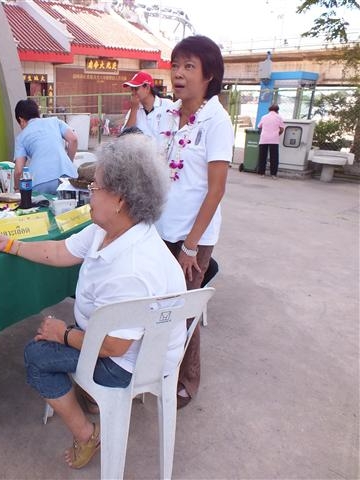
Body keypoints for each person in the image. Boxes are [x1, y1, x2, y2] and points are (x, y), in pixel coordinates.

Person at [0, 134, 186, 470]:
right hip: (129, 342)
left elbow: (113, 347)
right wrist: (10, 245)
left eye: (95, 186)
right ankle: (86, 399)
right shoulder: (112, 228)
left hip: (132, 362)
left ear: (119, 198)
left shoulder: (131, 269)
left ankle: (86, 434)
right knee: (60, 335)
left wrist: (62, 334)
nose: (88, 192)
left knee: (37, 355)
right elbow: (61, 250)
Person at [153, 35, 233, 409]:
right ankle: (155, 369)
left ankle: (187, 381)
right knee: (158, 305)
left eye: (189, 66)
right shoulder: (167, 115)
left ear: (209, 75)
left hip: (193, 237)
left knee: (183, 312)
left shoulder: (217, 120)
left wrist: (189, 247)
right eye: (175, 64)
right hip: (160, 228)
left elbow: (215, 191)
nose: (178, 74)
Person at [13, 99, 78, 194]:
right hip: (67, 177)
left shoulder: (21, 137)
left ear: (21, 120)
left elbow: (19, 170)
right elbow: (73, 139)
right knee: (69, 206)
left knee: (41, 208)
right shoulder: (55, 122)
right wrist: (68, 162)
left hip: (39, 181)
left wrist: (17, 188)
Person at [121, 71, 174, 140]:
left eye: (136, 89)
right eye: (132, 89)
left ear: (147, 88)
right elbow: (125, 136)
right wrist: (134, 109)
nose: (133, 93)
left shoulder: (168, 105)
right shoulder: (133, 110)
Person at [257, 104, 285, 178]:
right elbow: (282, 129)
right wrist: (277, 134)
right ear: (277, 110)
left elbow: (259, 126)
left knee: (262, 156)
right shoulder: (279, 117)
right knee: (274, 157)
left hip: (264, 139)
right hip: (274, 139)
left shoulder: (264, 117)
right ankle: (273, 174)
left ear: (269, 110)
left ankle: (262, 173)